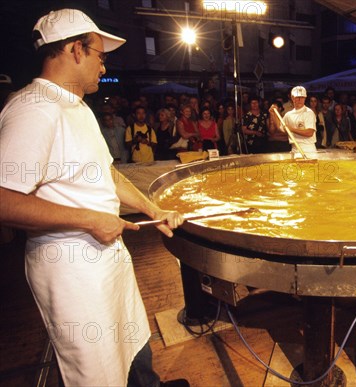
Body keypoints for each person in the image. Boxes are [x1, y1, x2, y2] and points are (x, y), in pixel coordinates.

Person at [0, 9, 187, 386]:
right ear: (75, 50)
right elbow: (4, 198)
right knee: (97, 368)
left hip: (105, 257)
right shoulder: (35, 109)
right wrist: (90, 219)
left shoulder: (77, 107)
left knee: (133, 340)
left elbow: (106, 172)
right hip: (71, 268)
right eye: (101, 56)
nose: (104, 67)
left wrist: (153, 208)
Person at [270, 86, 317, 156]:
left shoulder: (308, 112)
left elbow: (309, 132)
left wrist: (291, 129)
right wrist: (273, 114)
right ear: (292, 98)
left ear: (305, 98)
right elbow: (280, 128)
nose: (300, 100)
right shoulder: (289, 114)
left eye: (302, 97)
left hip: (308, 149)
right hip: (294, 148)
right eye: (297, 97)